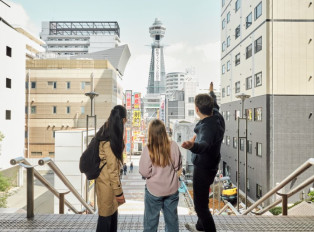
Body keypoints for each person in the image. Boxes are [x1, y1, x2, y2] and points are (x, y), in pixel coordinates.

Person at [182, 84, 225, 232]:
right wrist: (211, 92)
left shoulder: (207, 128)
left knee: (200, 206)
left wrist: (191, 146)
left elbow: (204, 145)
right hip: (212, 164)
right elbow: (215, 102)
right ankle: (200, 227)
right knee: (203, 199)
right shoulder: (217, 115)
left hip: (203, 168)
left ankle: (208, 229)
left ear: (197, 109)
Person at [139, 119, 182, 232]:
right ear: (164, 131)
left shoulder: (148, 149)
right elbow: (177, 166)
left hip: (154, 191)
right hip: (172, 189)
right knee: (172, 222)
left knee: (150, 223)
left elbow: (144, 172)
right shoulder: (173, 146)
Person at [95, 105, 127, 232]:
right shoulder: (109, 141)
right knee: (105, 220)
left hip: (107, 184)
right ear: (122, 120)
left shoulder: (106, 130)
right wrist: (119, 193)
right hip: (107, 186)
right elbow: (113, 170)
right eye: (125, 120)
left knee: (111, 218)